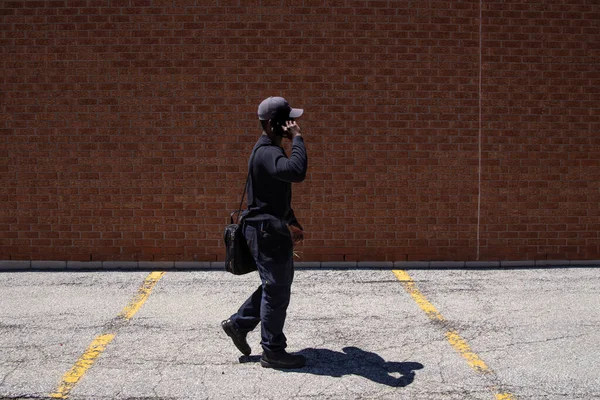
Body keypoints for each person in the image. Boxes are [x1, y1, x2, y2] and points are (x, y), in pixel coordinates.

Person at [221, 96, 308, 369]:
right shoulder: (269, 152)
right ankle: (272, 351)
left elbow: (273, 195)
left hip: (269, 228)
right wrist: (298, 139)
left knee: (275, 286)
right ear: (273, 124)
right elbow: (296, 171)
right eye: (288, 120)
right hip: (266, 233)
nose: (293, 124)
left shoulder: (268, 150)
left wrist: (292, 220)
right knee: (277, 289)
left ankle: (239, 324)